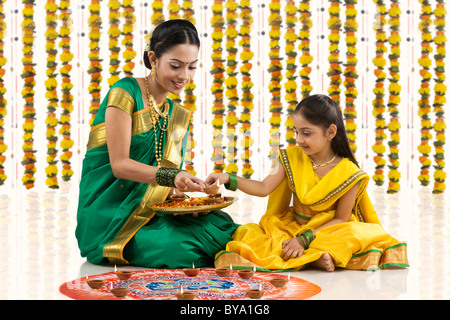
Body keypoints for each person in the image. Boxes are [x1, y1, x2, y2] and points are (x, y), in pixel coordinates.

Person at [76, 19, 239, 268]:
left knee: (222, 225)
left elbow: (165, 184)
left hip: (149, 209)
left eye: (192, 67)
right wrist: (173, 176)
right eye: (175, 65)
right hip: (109, 215)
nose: (184, 76)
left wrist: (190, 197)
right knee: (182, 248)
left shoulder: (177, 113)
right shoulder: (125, 93)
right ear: (153, 59)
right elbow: (120, 166)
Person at [206, 94, 409, 271]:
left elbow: (341, 219)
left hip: (326, 230)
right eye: (296, 131)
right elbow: (263, 187)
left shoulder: (350, 173)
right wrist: (228, 178)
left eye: (306, 133)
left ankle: (314, 253)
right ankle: (315, 257)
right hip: (293, 225)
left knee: (352, 235)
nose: (299, 139)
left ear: (330, 132)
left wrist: (305, 239)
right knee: (251, 236)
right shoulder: (290, 157)